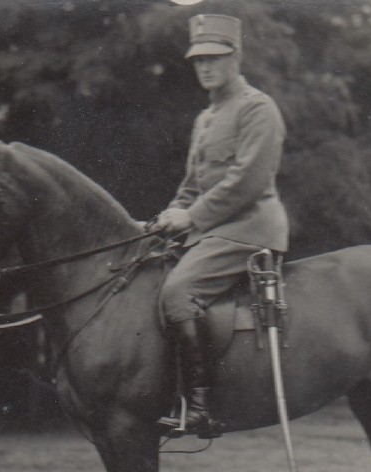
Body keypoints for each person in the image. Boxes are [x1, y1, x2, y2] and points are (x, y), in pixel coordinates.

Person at [152, 13, 290, 435]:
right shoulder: (206, 118)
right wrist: (170, 218)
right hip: (213, 227)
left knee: (178, 292)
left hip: (250, 229)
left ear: (236, 57)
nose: (205, 67)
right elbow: (193, 185)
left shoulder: (257, 109)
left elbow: (246, 181)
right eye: (198, 60)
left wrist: (191, 218)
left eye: (215, 57)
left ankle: (200, 405)